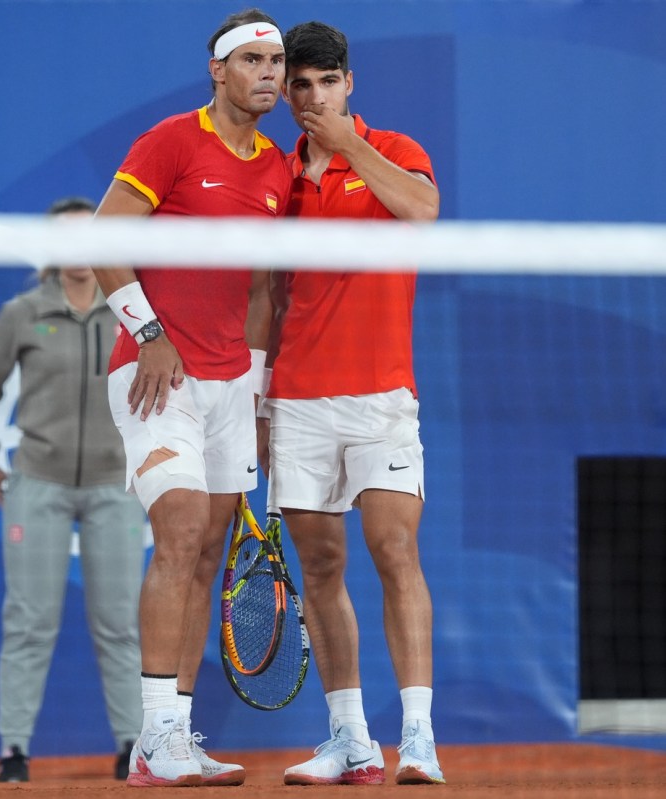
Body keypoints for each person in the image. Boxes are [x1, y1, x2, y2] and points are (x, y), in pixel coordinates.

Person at [91, 7, 292, 788]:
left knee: (207, 551)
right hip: (156, 373)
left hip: (231, 383)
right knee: (179, 531)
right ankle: (152, 739)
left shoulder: (277, 170)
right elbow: (100, 238)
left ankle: (174, 732)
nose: (268, 74)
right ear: (218, 70)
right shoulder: (171, 141)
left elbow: (262, 293)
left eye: (276, 62)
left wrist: (259, 392)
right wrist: (148, 333)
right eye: (252, 61)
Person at [260, 20, 445, 786]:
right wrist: (259, 401)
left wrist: (348, 146)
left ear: (349, 83)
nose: (313, 97)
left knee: (395, 551)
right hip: (297, 399)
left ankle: (419, 738)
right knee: (321, 563)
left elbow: (423, 211)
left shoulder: (394, 150)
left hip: (381, 396)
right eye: (300, 86)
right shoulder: (275, 179)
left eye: (325, 83)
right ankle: (350, 738)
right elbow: (267, 294)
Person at [0, 196, 147, 783]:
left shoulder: (134, 311)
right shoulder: (22, 313)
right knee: (28, 622)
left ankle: (133, 745)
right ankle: (14, 751)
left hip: (115, 487)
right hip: (37, 485)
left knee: (120, 624)